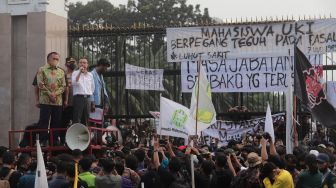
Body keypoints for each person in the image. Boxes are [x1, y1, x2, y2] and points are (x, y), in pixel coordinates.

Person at [37, 52, 66, 145]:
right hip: (45, 100)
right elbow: (40, 84)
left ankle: (54, 140)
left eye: (57, 59)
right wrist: (50, 94)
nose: (56, 61)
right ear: (48, 59)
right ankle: (43, 140)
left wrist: (55, 94)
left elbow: (63, 86)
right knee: (44, 121)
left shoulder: (61, 71)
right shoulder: (42, 70)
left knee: (56, 121)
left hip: (57, 102)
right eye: (54, 58)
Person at [72, 57, 95, 125]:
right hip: (78, 97)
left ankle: (85, 134)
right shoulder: (75, 73)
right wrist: (80, 72)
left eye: (84, 63)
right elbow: (74, 82)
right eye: (80, 62)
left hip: (87, 98)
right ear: (78, 64)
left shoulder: (90, 75)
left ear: (87, 65)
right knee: (77, 118)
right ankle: (76, 134)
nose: (82, 64)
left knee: (86, 118)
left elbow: (92, 87)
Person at [60, 57, 77, 144]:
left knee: (75, 123)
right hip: (66, 103)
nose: (72, 64)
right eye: (70, 62)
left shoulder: (78, 74)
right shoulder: (63, 74)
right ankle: (62, 140)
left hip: (76, 103)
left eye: (73, 62)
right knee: (64, 122)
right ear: (66, 63)